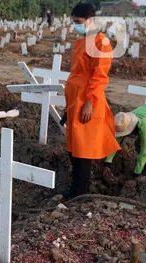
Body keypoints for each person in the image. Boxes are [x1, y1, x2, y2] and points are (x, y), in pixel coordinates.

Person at [62, 3, 120, 199]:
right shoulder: (83, 40)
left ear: (90, 20)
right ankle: (76, 188)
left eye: (78, 22)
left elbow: (99, 76)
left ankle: (80, 193)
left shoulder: (100, 42)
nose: (75, 26)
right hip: (74, 100)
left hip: (87, 101)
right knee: (73, 149)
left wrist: (89, 102)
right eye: (74, 22)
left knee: (83, 151)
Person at [103, 107, 146, 184]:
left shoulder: (144, 126)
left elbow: (144, 152)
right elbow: (116, 143)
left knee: (140, 146)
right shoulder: (125, 121)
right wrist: (107, 164)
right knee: (138, 144)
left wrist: (136, 174)